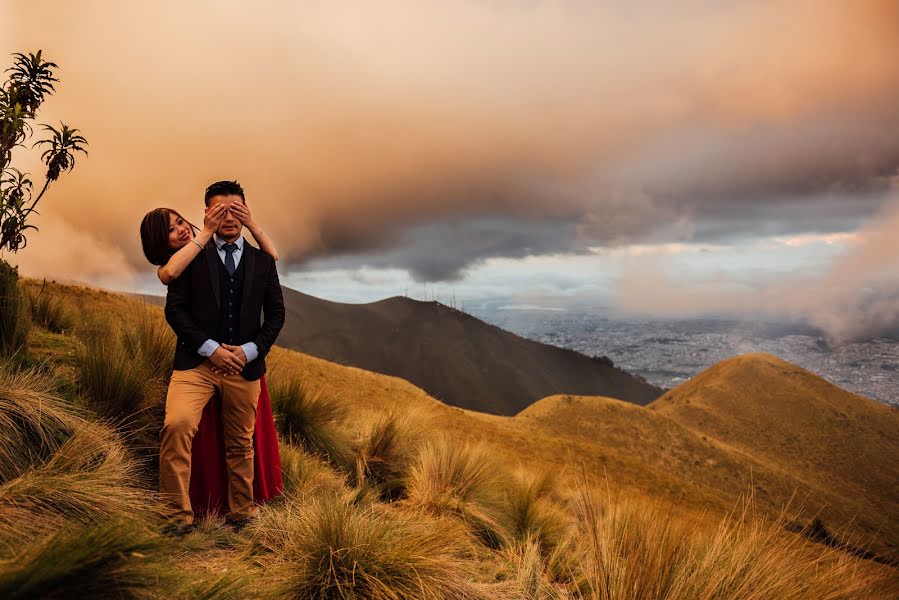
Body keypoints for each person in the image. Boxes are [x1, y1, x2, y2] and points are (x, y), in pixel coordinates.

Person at [139, 181, 285, 532]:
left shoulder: (262, 261)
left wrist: (249, 351)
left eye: (237, 210)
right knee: (177, 427)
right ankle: (175, 518)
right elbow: (175, 312)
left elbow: (276, 315)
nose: (229, 216)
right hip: (195, 365)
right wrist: (212, 349)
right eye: (221, 210)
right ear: (207, 213)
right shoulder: (188, 255)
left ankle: (243, 514)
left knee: (240, 442)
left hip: (244, 368)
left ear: (246, 213)